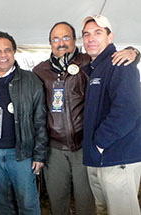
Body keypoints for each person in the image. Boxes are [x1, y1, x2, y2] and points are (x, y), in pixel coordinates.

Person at [33, 22, 139, 215]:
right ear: (49, 43)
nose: (61, 43)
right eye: (55, 39)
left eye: (66, 37)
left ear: (75, 40)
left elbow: (116, 64)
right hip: (54, 149)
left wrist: (134, 52)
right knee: (59, 202)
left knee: (88, 204)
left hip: (85, 146)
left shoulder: (89, 63)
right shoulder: (40, 71)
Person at [0, 31, 48, 215]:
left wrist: (39, 155)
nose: (3, 55)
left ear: (14, 52)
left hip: (21, 155)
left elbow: (40, 119)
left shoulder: (30, 80)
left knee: (28, 205)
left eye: (7, 50)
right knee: (3, 205)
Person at [82, 15, 141, 215]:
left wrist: (100, 143)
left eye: (98, 33)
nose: (91, 38)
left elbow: (128, 111)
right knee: (104, 210)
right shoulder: (95, 68)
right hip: (100, 158)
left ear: (110, 37)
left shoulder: (121, 64)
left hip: (117, 158)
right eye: (87, 34)